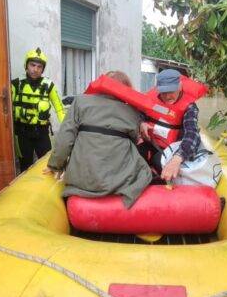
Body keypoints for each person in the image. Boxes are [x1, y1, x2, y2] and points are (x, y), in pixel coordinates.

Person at [46, 71, 152, 208]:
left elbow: (65, 139)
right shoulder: (132, 112)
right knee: (144, 170)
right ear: (126, 89)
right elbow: (133, 141)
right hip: (119, 182)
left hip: (81, 180)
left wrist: (54, 165)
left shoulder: (80, 102)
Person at [140, 69, 206, 182]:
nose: (167, 96)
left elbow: (192, 134)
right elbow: (139, 114)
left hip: (172, 150)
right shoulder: (151, 98)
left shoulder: (190, 107)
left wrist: (177, 159)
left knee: (158, 162)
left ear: (179, 87)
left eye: (171, 91)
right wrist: (141, 123)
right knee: (136, 155)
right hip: (151, 142)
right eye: (163, 92)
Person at [11, 48, 65, 171]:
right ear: (26, 65)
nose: (35, 69)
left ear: (42, 69)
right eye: (32, 65)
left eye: (39, 67)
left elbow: (60, 109)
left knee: (47, 164)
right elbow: (5, 109)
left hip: (41, 132)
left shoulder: (49, 86)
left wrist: (68, 129)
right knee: (25, 166)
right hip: (22, 133)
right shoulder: (15, 84)